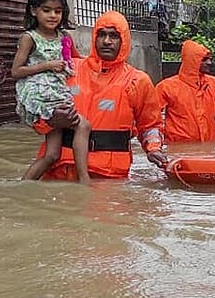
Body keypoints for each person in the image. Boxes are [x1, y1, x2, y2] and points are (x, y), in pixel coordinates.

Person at [37, 10, 169, 180]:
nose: (107, 41)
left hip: (107, 175)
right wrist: (50, 119)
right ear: (94, 38)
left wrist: (153, 149)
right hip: (57, 170)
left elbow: (150, 125)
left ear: (124, 40)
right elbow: (36, 110)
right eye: (102, 35)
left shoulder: (137, 81)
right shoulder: (68, 70)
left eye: (114, 36)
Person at [11, 0, 92, 184]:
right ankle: (84, 180)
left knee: (52, 154)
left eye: (57, 11)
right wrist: (47, 65)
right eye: (46, 10)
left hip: (57, 93)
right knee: (83, 125)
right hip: (39, 95)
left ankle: (22, 186)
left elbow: (77, 61)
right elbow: (15, 71)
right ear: (34, 10)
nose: (53, 15)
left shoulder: (64, 37)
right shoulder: (29, 38)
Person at [155, 39, 215, 142]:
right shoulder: (166, 87)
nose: (209, 63)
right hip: (178, 149)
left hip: (210, 148)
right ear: (192, 61)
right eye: (204, 59)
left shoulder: (214, 84)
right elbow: (150, 117)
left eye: (209, 59)